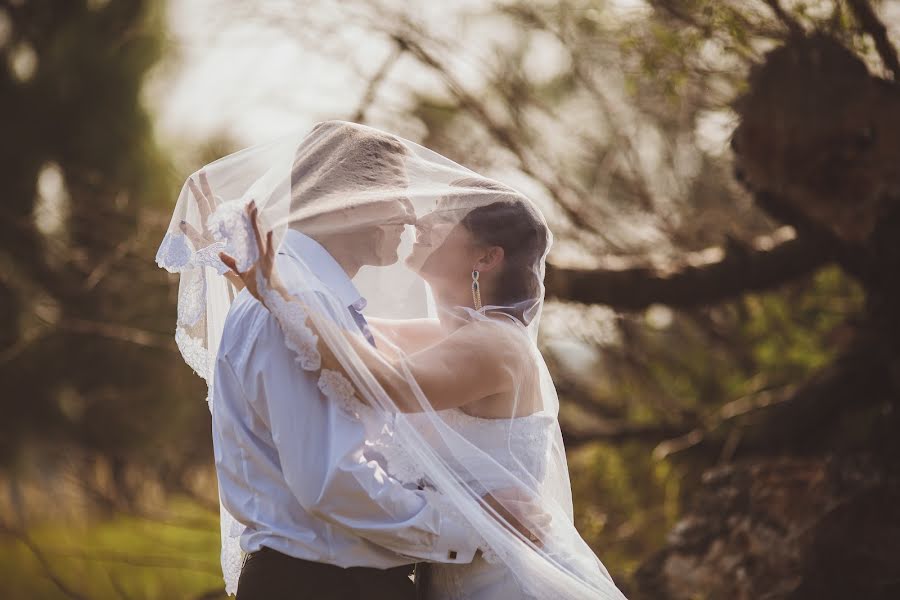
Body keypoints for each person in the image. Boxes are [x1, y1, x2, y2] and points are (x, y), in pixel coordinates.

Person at [213, 122, 628, 600]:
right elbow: (331, 471)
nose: (416, 218)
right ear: (351, 200)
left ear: (486, 258)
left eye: (442, 216)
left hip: (492, 573)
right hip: (385, 573)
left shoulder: (494, 345)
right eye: (402, 196)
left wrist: (281, 299)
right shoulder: (312, 303)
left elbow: (383, 379)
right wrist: (276, 299)